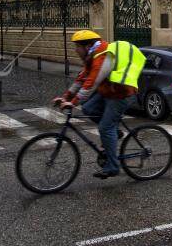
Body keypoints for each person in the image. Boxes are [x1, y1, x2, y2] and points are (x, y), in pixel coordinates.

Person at [54, 30, 145, 179]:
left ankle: (113, 167)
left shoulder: (103, 56)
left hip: (122, 94)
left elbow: (92, 83)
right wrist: (65, 97)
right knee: (88, 108)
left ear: (88, 46)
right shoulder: (92, 55)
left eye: (77, 47)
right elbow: (81, 78)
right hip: (108, 91)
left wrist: (73, 102)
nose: (75, 50)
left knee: (105, 127)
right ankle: (114, 133)